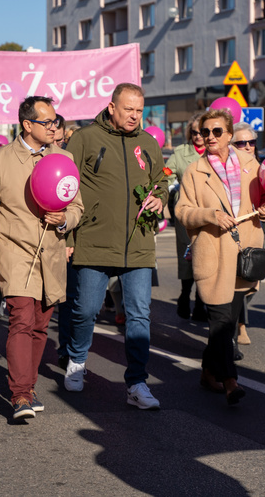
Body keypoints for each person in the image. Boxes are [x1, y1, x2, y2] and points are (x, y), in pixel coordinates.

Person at [0, 96, 84, 420]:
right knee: (21, 319)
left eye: (55, 122)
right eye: (47, 122)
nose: (54, 127)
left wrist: (64, 219)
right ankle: (20, 394)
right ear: (27, 124)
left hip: (51, 252)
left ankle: (30, 385)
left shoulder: (64, 157)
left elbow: (78, 206)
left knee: (39, 323)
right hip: (13, 251)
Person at [64, 83, 167, 409]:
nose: (134, 116)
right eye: (128, 110)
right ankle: (77, 361)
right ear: (112, 107)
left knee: (138, 316)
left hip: (137, 245)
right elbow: (65, 187)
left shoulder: (149, 142)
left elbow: (160, 181)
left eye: (139, 110)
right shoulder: (85, 139)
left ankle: (137, 383)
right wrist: (68, 237)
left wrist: (160, 198)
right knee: (86, 310)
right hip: (94, 241)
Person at [176, 109, 265, 404]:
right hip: (213, 253)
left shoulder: (250, 164)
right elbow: (182, 212)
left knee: (227, 323)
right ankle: (231, 381)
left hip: (244, 253)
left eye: (217, 132)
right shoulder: (195, 170)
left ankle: (208, 373)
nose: (210, 137)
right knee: (220, 322)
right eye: (205, 132)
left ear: (230, 135)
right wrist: (211, 215)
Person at [165, 114, 208, 321]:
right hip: (187, 213)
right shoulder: (181, 153)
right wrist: (170, 185)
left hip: (210, 213)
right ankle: (185, 294)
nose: (199, 136)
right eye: (194, 132)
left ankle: (201, 302)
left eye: (202, 132)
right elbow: (167, 173)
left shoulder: (215, 152)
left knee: (206, 255)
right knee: (187, 255)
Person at [230, 122, 260, 347]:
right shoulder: (225, 167)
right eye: (241, 142)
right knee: (234, 285)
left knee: (251, 283)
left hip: (253, 232)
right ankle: (238, 328)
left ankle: (237, 323)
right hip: (229, 233)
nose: (248, 146)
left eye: (251, 142)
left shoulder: (261, 167)